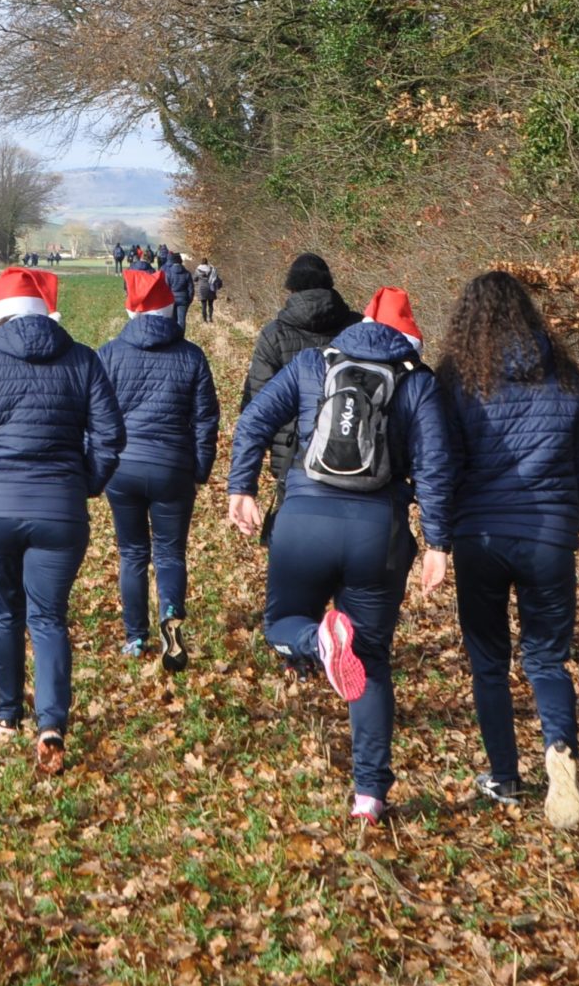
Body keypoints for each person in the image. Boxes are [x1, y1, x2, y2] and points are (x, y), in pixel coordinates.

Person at [224, 285, 455, 824]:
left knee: (282, 621)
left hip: (304, 521)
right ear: (409, 339)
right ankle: (369, 795)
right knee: (371, 660)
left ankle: (315, 640)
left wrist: (243, 487)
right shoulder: (417, 382)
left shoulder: (310, 364)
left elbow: (255, 419)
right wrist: (439, 544)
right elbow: (437, 468)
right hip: (379, 532)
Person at [0, 266, 124, 773]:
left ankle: (6, 719)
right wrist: (86, 483)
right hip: (61, 511)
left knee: (5, 613)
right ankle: (51, 724)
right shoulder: (83, 360)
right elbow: (110, 437)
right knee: (49, 618)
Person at [438, 270, 579, 830]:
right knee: (547, 659)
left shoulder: (458, 377)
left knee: (489, 663)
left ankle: (504, 775)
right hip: (549, 537)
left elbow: (446, 460)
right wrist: (570, 521)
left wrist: (443, 525)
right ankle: (559, 750)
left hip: (480, 536)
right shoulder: (566, 375)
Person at [96, 268, 220, 671]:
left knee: (132, 554)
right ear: (169, 309)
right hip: (173, 467)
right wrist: (200, 468)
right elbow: (205, 419)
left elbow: (95, 417)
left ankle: (135, 637)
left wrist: (97, 466)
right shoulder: (191, 356)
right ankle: (170, 612)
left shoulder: (110, 353)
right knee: (170, 552)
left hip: (122, 468)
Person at [241, 255, 358, 510]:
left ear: (291, 288)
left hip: (291, 454)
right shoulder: (357, 328)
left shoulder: (274, 333)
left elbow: (256, 401)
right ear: (329, 284)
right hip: (353, 451)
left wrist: (246, 473)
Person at [161, 251, 194, 327]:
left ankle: (173, 336)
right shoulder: (187, 273)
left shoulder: (168, 273)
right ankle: (181, 336)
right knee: (181, 320)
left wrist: (165, 299)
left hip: (171, 299)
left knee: (172, 319)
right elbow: (191, 288)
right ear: (180, 261)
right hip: (183, 298)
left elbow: (166, 287)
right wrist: (189, 299)